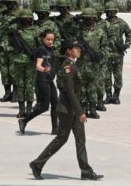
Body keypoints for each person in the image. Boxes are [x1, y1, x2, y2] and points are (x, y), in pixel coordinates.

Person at [29, 39, 102, 181]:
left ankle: (85, 170)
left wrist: (79, 110)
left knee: (81, 140)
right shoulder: (68, 67)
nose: (79, 50)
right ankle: (37, 164)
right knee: (61, 139)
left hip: (74, 109)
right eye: (77, 48)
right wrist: (80, 111)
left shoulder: (73, 65)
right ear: (69, 50)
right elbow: (70, 92)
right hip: (67, 110)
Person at [19, 30, 58, 135]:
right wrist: (44, 69)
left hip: (49, 80)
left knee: (56, 104)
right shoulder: (42, 50)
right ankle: (24, 120)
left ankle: (55, 128)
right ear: (43, 39)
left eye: (52, 40)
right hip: (42, 80)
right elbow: (38, 65)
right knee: (44, 106)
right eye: (48, 39)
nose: (50, 41)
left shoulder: (50, 49)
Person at [103, 1, 131, 104]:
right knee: (106, 76)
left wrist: (126, 45)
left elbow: (129, 35)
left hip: (118, 54)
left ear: (116, 11)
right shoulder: (103, 23)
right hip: (106, 54)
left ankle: (116, 95)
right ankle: (108, 95)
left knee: (118, 76)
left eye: (111, 11)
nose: (110, 13)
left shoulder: (122, 23)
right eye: (108, 12)